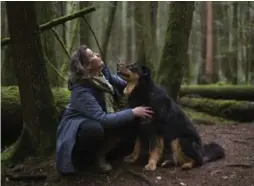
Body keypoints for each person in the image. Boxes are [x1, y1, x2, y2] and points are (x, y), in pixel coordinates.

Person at [56, 45, 154, 175]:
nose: (97, 54)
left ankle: (107, 154)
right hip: (79, 127)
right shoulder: (81, 90)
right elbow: (103, 119)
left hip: (102, 119)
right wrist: (132, 112)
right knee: (93, 129)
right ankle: (85, 160)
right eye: (92, 55)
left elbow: (124, 86)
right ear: (87, 66)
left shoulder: (102, 75)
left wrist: (140, 80)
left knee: (132, 120)